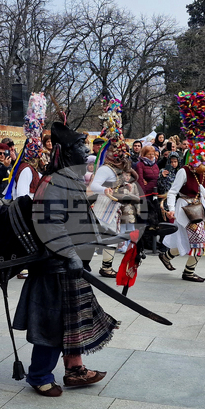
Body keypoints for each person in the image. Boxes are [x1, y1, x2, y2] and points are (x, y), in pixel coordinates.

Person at [14, 119, 117, 396]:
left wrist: (119, 238)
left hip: (71, 266)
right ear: (67, 153)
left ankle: (74, 369)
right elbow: (50, 225)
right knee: (53, 323)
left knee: (72, 323)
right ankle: (39, 375)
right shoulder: (54, 182)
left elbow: (84, 220)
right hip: (54, 267)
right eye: (82, 147)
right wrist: (71, 255)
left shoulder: (69, 179)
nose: (87, 152)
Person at [159, 91, 205, 282]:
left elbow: (202, 190)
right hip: (184, 209)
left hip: (197, 209)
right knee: (200, 241)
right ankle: (188, 272)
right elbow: (172, 192)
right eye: (202, 157)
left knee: (190, 241)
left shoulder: (200, 172)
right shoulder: (184, 170)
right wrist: (170, 209)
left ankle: (167, 256)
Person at [88, 98, 131, 278]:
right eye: (119, 155)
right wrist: (105, 190)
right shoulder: (106, 169)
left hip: (114, 206)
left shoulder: (118, 170)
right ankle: (82, 263)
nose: (122, 158)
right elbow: (95, 185)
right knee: (96, 236)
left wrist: (125, 185)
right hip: (104, 205)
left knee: (112, 236)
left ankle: (106, 266)